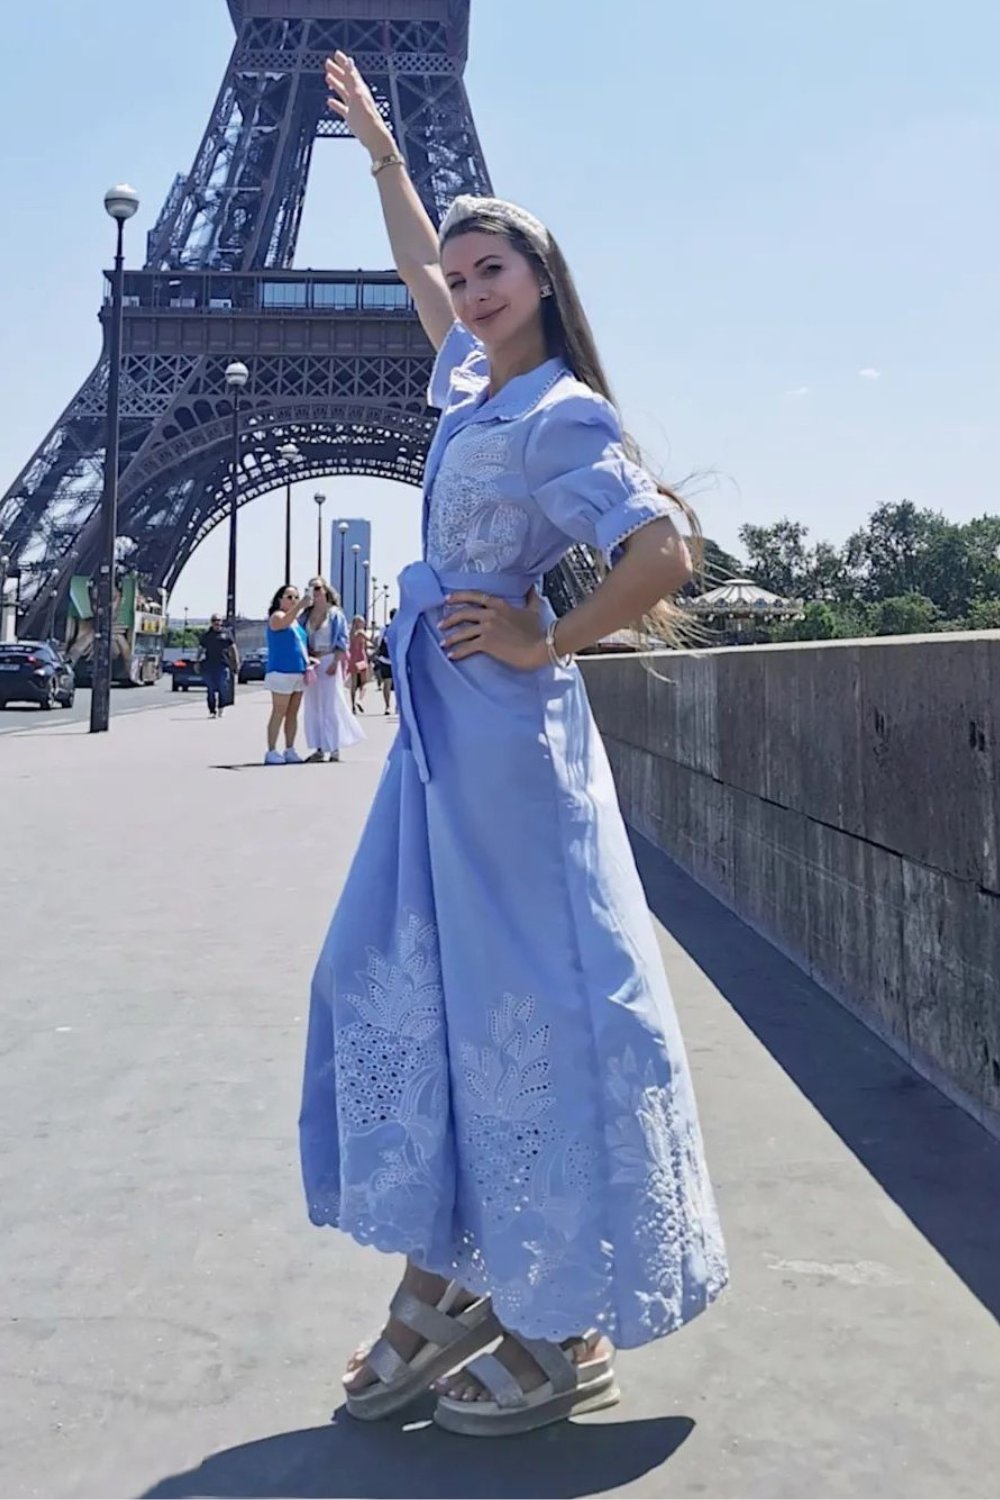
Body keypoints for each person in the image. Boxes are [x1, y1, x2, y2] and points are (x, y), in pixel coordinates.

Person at [299, 52, 727, 1439]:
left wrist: (549, 637)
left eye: (496, 272)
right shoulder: (472, 387)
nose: (471, 289)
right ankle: (470, 1266)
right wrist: (380, 158)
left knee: (527, 1006)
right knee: (419, 987)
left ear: (542, 283)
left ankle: (561, 1312)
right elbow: (421, 270)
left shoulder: (561, 414)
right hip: (441, 738)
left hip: (506, 740)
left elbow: (664, 547)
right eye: (464, 274)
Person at [300, 577, 365, 763]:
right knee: (313, 705)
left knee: (331, 703)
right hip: (312, 661)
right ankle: (320, 747)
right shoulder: (306, 615)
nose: (315, 592)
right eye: (311, 588)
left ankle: (334, 747)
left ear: (326, 590)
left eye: (318, 588)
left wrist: (336, 662)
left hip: (329, 659)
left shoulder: (335, 614)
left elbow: (342, 640)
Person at [264, 584, 309, 765]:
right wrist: (300, 607)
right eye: (289, 597)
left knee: (293, 713)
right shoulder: (277, 616)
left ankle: (290, 748)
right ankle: (271, 750)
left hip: (297, 670)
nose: (293, 601)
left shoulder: (297, 623)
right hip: (281, 670)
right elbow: (281, 624)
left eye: (295, 597)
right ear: (279, 599)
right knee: (279, 711)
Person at [198, 614, 239, 719]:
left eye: (218, 620)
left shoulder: (226, 634)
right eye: (214, 620)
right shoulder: (207, 635)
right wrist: (197, 661)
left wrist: (236, 662)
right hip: (209, 666)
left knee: (223, 686)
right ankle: (212, 710)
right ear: (211, 622)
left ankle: (221, 707)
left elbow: (233, 649)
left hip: (223, 665)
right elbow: (201, 649)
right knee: (210, 689)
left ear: (221, 622)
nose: (216, 622)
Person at [372, 608, 397, 715]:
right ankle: (389, 706)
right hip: (389, 660)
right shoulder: (388, 629)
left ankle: (393, 706)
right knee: (390, 683)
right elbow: (379, 643)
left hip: (392, 660)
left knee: (394, 684)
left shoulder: (388, 629)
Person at [346, 614, 370, 714]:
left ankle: (353, 706)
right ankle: (360, 700)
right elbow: (370, 640)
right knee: (364, 683)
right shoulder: (361, 632)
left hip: (352, 659)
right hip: (361, 659)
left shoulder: (349, 633)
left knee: (353, 684)